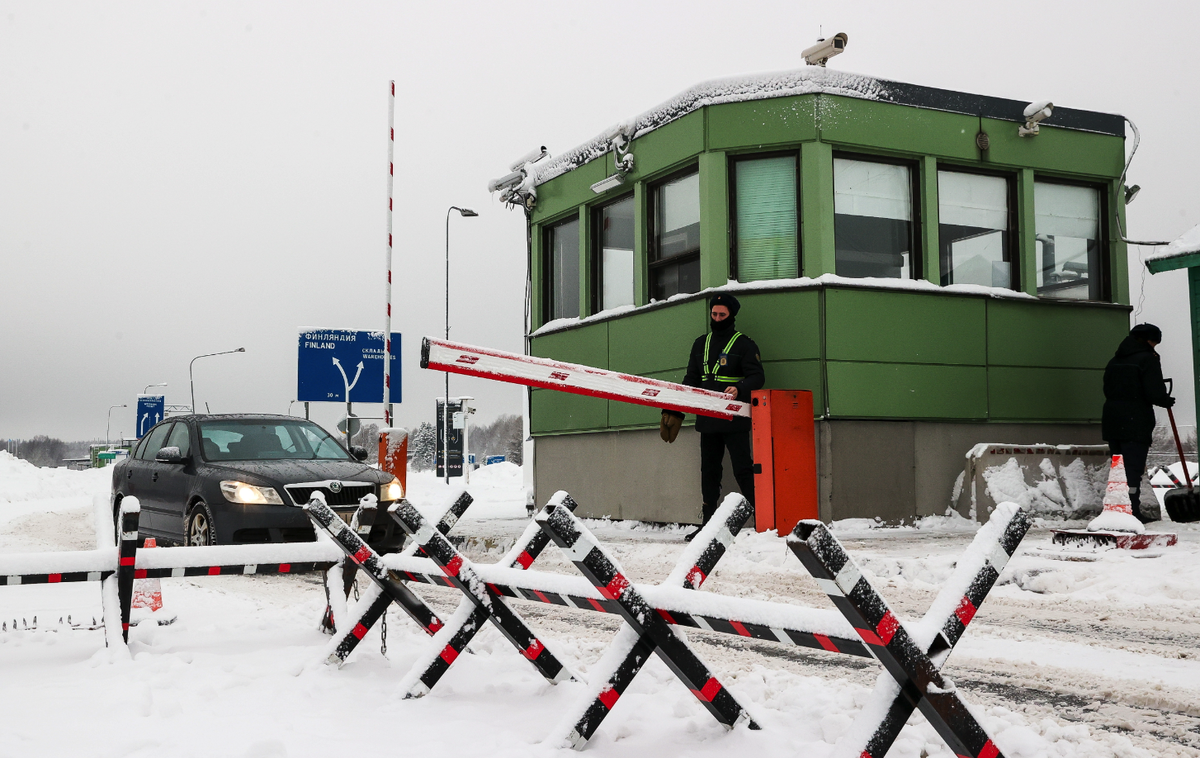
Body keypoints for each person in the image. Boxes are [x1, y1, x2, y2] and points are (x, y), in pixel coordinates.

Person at [660, 293, 764, 539]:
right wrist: (675, 408)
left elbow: (757, 377)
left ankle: (762, 521)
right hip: (707, 419)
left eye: (722, 315)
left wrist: (739, 387)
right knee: (709, 472)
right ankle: (707, 525)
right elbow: (691, 379)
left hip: (734, 419)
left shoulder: (744, 344)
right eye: (714, 314)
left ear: (732, 316)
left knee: (743, 469)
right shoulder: (700, 344)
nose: (717, 318)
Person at [1101, 323, 1174, 522]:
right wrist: (1164, 399)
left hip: (1112, 419)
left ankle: (1118, 508)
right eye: (1155, 343)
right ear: (1148, 341)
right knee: (1133, 468)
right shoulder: (1147, 358)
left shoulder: (1114, 360)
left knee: (1118, 467)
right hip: (1135, 421)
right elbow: (1153, 391)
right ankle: (1131, 511)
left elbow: (1108, 388)